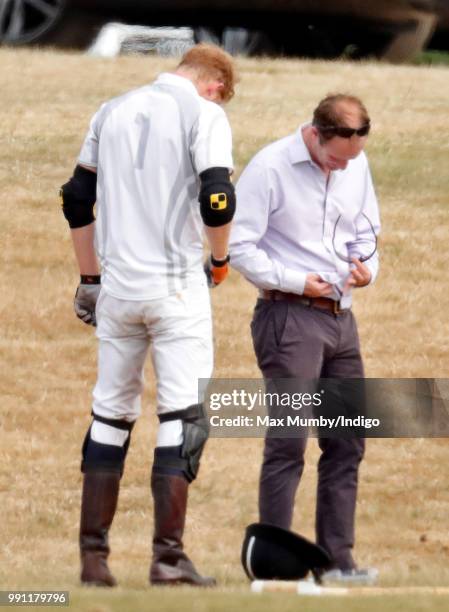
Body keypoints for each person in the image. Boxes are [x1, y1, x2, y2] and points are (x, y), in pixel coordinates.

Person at [60, 43, 237, 587]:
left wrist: (89, 278)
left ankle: (94, 559)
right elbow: (217, 197)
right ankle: (167, 558)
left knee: (111, 414)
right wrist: (221, 258)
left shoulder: (111, 109)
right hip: (176, 288)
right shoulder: (206, 113)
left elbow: (75, 196)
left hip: (116, 289)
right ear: (214, 83)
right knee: (182, 417)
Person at [229, 94, 380, 583]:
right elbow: (237, 247)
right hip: (288, 317)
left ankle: (337, 561)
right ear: (315, 134)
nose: (342, 167)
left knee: (346, 441)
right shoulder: (270, 167)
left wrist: (367, 267)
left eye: (351, 158)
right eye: (336, 156)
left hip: (342, 319)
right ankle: (274, 567)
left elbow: (366, 228)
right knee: (289, 441)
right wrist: (297, 281)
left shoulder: (356, 164)